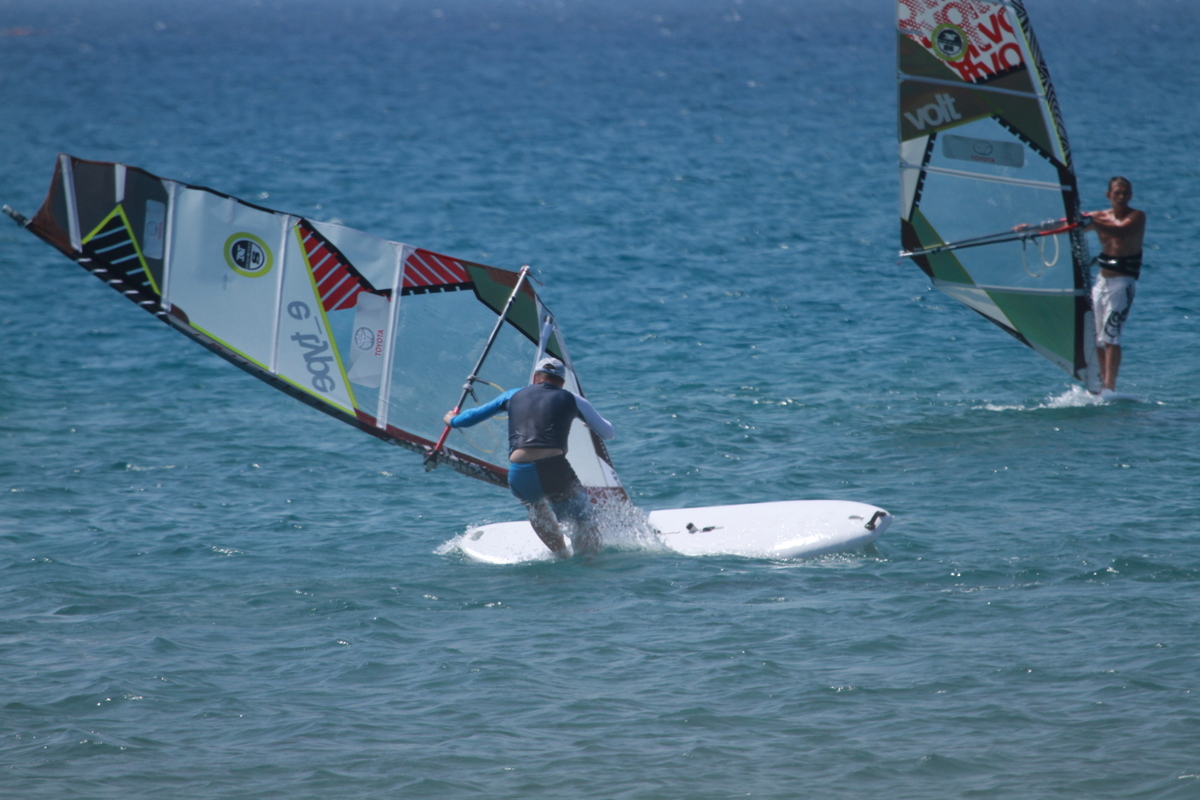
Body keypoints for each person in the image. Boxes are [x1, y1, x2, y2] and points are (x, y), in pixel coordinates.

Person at [443, 357, 615, 557]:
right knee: (583, 520)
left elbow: (471, 417)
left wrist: (453, 420)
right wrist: (590, 424)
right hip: (554, 470)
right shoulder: (572, 398)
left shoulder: (513, 395)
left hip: (520, 473)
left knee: (536, 508)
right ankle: (586, 564)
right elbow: (608, 433)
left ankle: (561, 555)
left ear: (535, 378)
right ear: (562, 382)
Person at [1085, 176, 1146, 393]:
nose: (1121, 197)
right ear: (1108, 195)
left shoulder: (1137, 216)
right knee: (1096, 337)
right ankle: (1102, 384)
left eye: (1125, 193)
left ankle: (1110, 387)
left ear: (1130, 195)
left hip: (1122, 283)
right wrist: (1033, 228)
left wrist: (1090, 219)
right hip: (1101, 282)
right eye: (1117, 193)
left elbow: (1120, 231)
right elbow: (1068, 226)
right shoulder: (1098, 217)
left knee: (1111, 336)